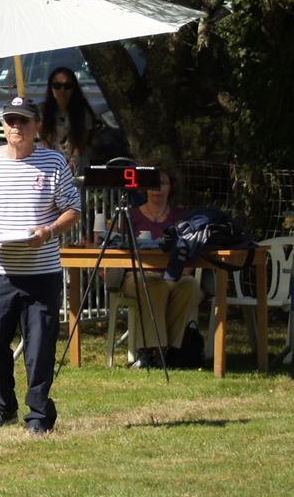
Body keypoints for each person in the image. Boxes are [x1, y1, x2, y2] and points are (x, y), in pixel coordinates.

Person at [0, 95, 82, 435]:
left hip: (41, 272)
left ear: (36, 126)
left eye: (23, 120)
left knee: (39, 347)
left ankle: (40, 415)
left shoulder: (54, 162)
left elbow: (72, 209)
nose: (15, 126)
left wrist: (48, 231)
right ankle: (1, 408)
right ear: (3, 125)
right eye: (10, 120)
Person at [112, 168, 204, 368]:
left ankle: (165, 351)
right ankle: (151, 352)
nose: (157, 189)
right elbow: (116, 246)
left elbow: (191, 248)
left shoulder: (181, 216)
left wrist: (184, 269)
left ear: (171, 187)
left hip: (172, 277)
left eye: (162, 183)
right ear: (145, 188)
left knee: (190, 285)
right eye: (153, 184)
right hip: (136, 277)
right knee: (154, 284)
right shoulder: (131, 216)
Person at [41, 66, 95, 177]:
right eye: (57, 86)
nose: (62, 90)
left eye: (67, 86)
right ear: (51, 88)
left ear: (74, 88)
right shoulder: (43, 113)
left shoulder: (83, 113)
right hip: (51, 167)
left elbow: (80, 145)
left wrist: (71, 167)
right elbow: (45, 144)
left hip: (77, 168)